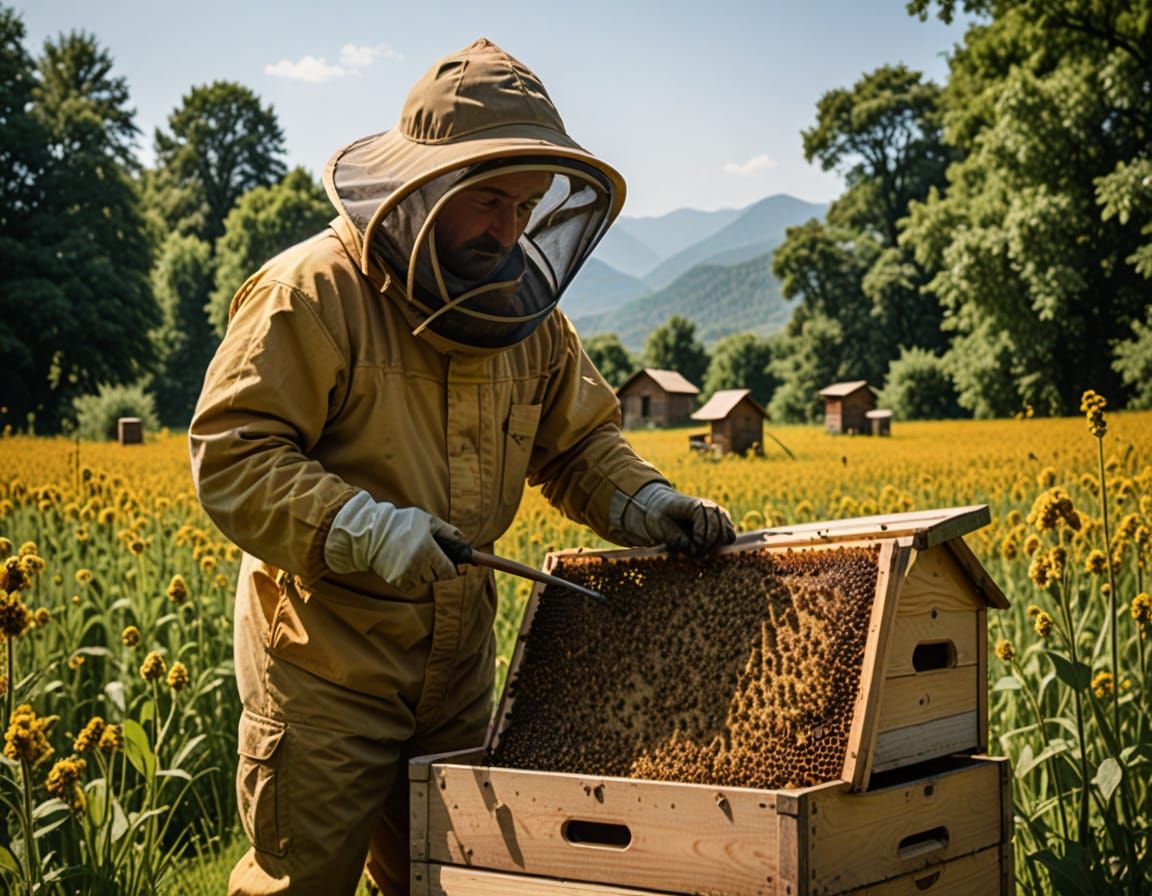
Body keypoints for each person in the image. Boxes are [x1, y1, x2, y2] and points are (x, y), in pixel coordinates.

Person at [189, 37, 736, 896]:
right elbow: (233, 455)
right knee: (302, 884)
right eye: (487, 201)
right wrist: (360, 528)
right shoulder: (312, 292)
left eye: (525, 206)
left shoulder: (529, 318)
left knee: (452, 878)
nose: (509, 230)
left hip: (457, 668)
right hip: (324, 664)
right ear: (425, 183)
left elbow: (581, 443)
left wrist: (645, 501)